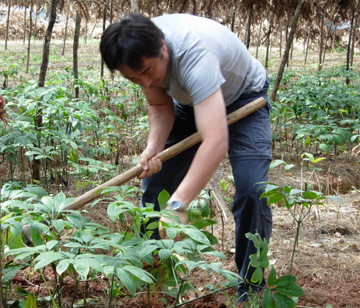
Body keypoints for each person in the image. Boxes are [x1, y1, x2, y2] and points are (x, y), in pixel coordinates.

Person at [100, 13, 272, 303]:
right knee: (156, 183)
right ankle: (152, 276)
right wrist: (153, 147)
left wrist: (179, 204)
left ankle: (251, 289)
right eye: (134, 78)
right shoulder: (140, 53)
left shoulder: (194, 53)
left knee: (251, 190)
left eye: (148, 71)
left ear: (163, 49)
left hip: (244, 98)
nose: (146, 81)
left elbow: (215, 140)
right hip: (191, 101)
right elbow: (159, 104)